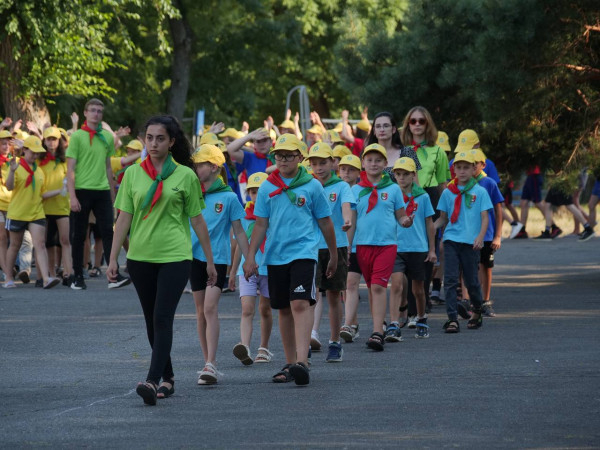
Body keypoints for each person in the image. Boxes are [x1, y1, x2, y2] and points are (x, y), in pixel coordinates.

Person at [107, 115, 217, 406]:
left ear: (171, 142)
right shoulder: (132, 174)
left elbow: (197, 221)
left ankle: (152, 380)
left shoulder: (186, 176)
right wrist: (113, 258)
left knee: (162, 316)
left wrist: (209, 260)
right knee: (151, 320)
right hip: (140, 257)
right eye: (150, 137)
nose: (153, 143)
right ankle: (167, 377)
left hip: (175, 256)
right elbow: (123, 219)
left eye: (160, 138)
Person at [243, 134, 337, 386]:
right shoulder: (266, 187)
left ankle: (303, 362)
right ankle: (290, 362)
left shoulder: (312, 185)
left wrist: (334, 254)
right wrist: (251, 256)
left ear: (299, 157)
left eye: (288, 155)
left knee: (299, 303)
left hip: (304, 252)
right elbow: (260, 224)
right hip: (275, 255)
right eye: (278, 155)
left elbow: (325, 222)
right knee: (283, 308)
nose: (282, 160)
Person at [190, 144, 249, 384]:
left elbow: (240, 231)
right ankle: (207, 362)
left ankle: (211, 363)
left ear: (214, 167)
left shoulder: (229, 196)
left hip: (219, 258)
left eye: (200, 164)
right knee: (199, 311)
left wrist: (249, 259)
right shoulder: (191, 192)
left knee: (210, 308)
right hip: (192, 256)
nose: (196, 169)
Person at [351, 144, 413, 351]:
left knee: (378, 286)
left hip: (386, 245)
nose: (374, 163)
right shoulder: (356, 190)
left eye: (378, 160)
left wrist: (405, 221)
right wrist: (345, 247)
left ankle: (377, 332)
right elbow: (351, 220)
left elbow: (401, 215)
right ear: (363, 164)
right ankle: (380, 325)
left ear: (386, 164)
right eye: (369, 160)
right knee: (371, 288)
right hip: (362, 246)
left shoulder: (393, 189)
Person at [66, 98, 129, 289]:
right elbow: (70, 170)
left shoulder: (107, 137)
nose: (96, 114)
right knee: (79, 236)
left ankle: (113, 275)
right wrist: (72, 197)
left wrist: (112, 194)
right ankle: (77, 276)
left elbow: (109, 167)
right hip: (82, 190)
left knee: (110, 233)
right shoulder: (77, 137)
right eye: (92, 110)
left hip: (102, 190)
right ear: (85, 113)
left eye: (99, 111)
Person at [433, 151, 492, 333]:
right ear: (454, 170)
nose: (462, 171)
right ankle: (452, 319)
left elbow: (485, 218)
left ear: (474, 169)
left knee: (471, 281)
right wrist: (430, 228)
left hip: (471, 242)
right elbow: (443, 218)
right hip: (451, 240)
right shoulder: (448, 193)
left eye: (466, 167)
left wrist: (480, 237)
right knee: (450, 280)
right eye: (459, 167)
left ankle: (477, 310)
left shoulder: (480, 192)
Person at [399, 107, 450, 315]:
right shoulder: (404, 149)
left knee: (427, 249)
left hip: (430, 197)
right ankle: (411, 303)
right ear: (408, 124)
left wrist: (445, 215)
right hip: (406, 198)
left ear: (428, 124)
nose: (418, 124)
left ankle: (423, 297)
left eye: (422, 121)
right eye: (413, 121)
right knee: (407, 248)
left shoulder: (437, 151)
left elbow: (443, 185)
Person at [307, 143, 354, 362]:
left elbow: (346, 206)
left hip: (336, 245)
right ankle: (305, 339)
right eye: (314, 163)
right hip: (310, 247)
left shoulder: (341, 186)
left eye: (323, 162)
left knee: (334, 296)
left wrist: (347, 219)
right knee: (309, 296)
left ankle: (334, 342)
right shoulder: (307, 185)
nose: (319, 167)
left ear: (333, 162)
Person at [387, 157, 436, 340]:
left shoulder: (422, 196)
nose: (401, 178)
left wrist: (431, 250)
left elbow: (429, 223)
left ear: (413, 175)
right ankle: (393, 324)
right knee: (396, 285)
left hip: (418, 247)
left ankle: (421, 318)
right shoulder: (392, 194)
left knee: (418, 289)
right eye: (398, 174)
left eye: (405, 174)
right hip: (396, 247)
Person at [3, 136, 61, 289]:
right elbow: (9, 187)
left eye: (37, 152)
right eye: (32, 152)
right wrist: (12, 171)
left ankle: (46, 278)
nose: (35, 155)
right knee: (15, 245)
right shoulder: (15, 166)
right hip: (17, 213)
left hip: (36, 212)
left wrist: (60, 191)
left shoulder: (39, 171)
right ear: (25, 150)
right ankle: (8, 278)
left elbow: (42, 194)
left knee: (40, 244)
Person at [229, 172, 274, 365]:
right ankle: (245, 347)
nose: (256, 195)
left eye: (260, 191)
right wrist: (232, 271)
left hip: (268, 267)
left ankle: (263, 348)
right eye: (253, 192)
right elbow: (240, 244)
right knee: (247, 309)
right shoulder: (244, 216)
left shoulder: (274, 213)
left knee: (265, 309)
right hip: (246, 269)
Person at [469, 149, 504, 317]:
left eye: (474, 164)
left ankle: (486, 300)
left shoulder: (489, 183)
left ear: (483, 165)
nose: (471, 167)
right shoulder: (463, 183)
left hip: (488, 234)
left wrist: (498, 235)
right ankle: (472, 301)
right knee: (470, 267)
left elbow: (498, 210)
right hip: (469, 234)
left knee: (486, 266)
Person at [40, 126, 73, 286]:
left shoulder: (65, 159)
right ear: (44, 141)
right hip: (44, 207)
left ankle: (68, 272)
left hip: (62, 206)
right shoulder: (39, 161)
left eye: (54, 139)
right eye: (49, 139)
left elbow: (71, 178)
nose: (52, 142)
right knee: (49, 242)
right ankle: (52, 273)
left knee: (65, 239)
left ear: (59, 141)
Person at [338, 154, 363, 343]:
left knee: (353, 284)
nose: (347, 172)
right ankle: (350, 323)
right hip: (343, 242)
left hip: (361, 242)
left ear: (358, 173)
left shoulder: (361, 190)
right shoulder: (336, 189)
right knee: (348, 285)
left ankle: (351, 323)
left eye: (351, 169)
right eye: (343, 169)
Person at [365, 112, 421, 180]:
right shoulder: (366, 154)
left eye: (386, 126)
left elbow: (416, 185)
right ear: (374, 131)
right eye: (378, 126)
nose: (382, 130)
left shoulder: (407, 152)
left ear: (393, 129)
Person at [513, 165, 545, 239]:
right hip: (530, 175)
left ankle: (553, 226)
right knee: (523, 202)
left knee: (537, 202)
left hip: (535, 174)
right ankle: (522, 230)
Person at [0, 129, 13, 278]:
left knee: (13, 238)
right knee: (2, 237)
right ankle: (5, 270)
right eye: (2, 144)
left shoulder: (13, 161)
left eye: (7, 144)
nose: (5, 147)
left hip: (12, 204)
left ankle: (11, 267)